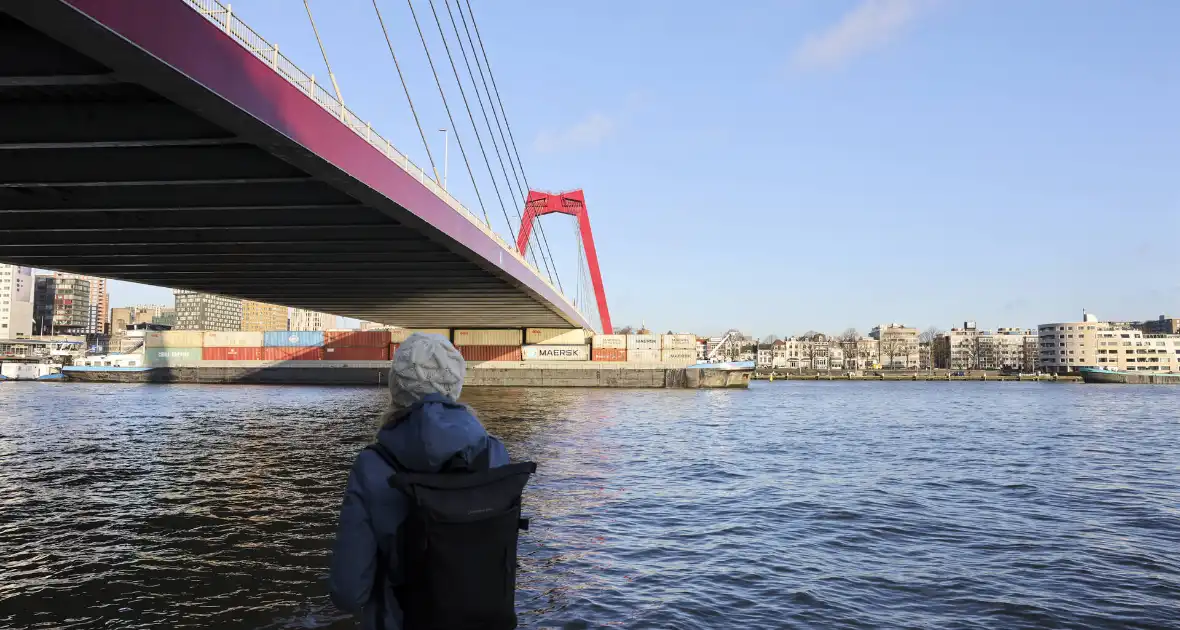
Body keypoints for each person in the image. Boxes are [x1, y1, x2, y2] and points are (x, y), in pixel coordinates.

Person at [329, 333, 533, 630]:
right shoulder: (493, 452)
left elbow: (348, 593)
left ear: (396, 386)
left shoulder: (373, 465)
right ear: (455, 384)